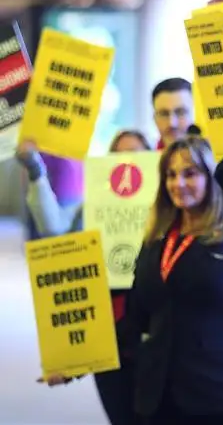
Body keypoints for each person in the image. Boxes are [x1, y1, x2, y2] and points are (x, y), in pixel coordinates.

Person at [123, 137, 223, 425]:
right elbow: (135, 315)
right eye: (171, 175)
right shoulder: (156, 239)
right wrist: (78, 361)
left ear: (210, 177)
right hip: (158, 397)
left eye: (190, 173)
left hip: (219, 395)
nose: (178, 183)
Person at [21, 129, 150, 425]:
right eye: (119, 156)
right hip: (110, 335)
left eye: (136, 155)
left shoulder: (169, 208)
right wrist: (36, 171)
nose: (127, 163)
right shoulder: (94, 206)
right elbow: (55, 230)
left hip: (154, 337)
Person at [152, 77, 194, 149]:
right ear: (154, 118)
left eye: (181, 112)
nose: (172, 123)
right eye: (164, 114)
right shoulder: (142, 155)